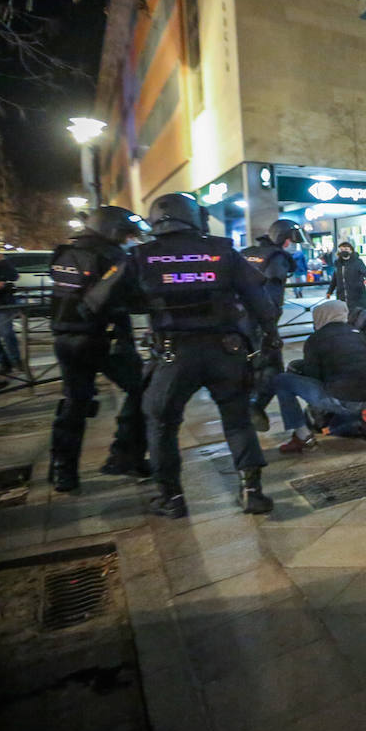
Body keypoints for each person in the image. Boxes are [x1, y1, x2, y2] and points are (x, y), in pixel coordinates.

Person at [83, 192, 281, 518]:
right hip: (225, 350)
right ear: (192, 216)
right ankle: (252, 492)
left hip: (174, 354)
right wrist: (270, 336)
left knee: (161, 423)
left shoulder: (140, 256)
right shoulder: (222, 251)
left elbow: (95, 302)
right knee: (237, 419)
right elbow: (260, 301)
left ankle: (171, 498)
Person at [46, 207, 151, 491]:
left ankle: (62, 470)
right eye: (127, 234)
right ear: (113, 230)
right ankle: (126, 455)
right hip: (104, 340)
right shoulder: (112, 257)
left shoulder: (65, 253)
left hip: (65, 339)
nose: (130, 239)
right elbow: (137, 299)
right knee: (144, 389)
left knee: (74, 403)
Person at [273, 300, 366, 453]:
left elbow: (314, 377)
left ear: (321, 317)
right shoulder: (358, 334)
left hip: (343, 401)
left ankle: (303, 437)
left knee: (282, 381)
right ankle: (354, 422)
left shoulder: (316, 339)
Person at [241, 219, 306, 431]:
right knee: (275, 373)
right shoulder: (277, 259)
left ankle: (251, 409)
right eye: (290, 240)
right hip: (260, 325)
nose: (291, 245)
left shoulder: (250, 252)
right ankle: (255, 408)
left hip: (239, 322)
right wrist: (270, 330)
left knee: (255, 369)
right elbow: (270, 299)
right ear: (283, 240)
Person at [327, 240, 366, 312]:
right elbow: (334, 279)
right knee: (344, 317)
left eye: (346, 249)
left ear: (351, 251)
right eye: (341, 250)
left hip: (357, 296)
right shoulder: (338, 264)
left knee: (357, 318)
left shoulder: (357, 262)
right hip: (342, 296)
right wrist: (329, 291)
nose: (343, 251)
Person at [0, 251, 21, 376]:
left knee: (7, 333)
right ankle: (4, 363)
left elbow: (14, 276)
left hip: (3, 303)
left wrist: (2, 262)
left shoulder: (3, 263)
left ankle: (15, 360)